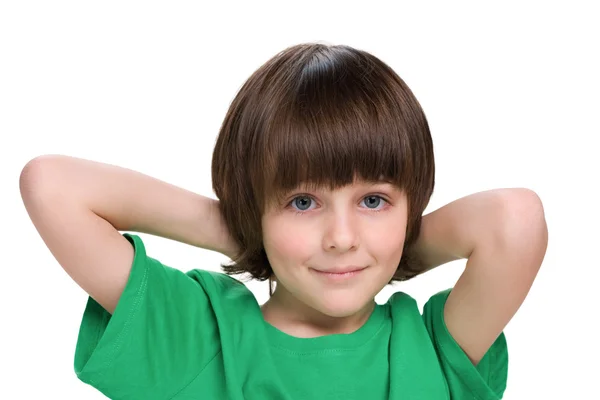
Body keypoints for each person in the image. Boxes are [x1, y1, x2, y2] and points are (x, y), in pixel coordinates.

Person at [19, 43, 548, 399]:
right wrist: (249, 232)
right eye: (301, 202)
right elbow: (53, 186)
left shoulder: (432, 347)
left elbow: (514, 219)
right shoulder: (204, 339)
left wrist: (397, 251)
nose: (342, 239)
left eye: (373, 201)